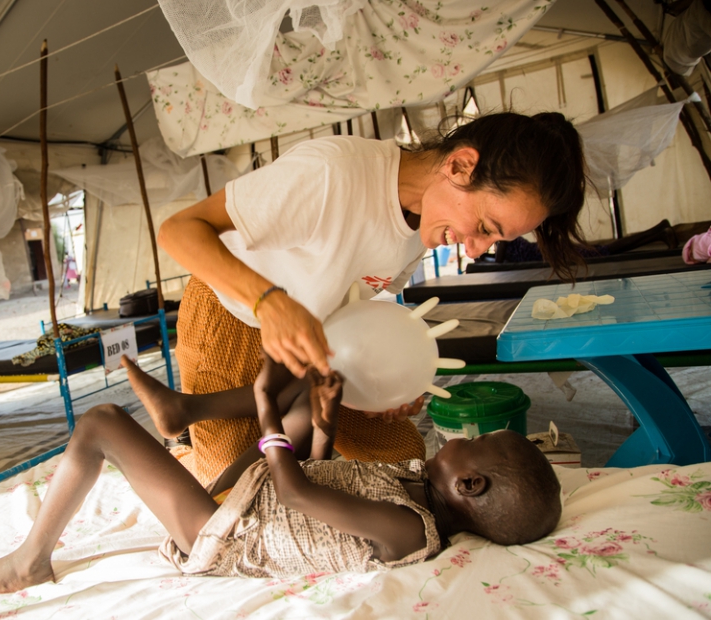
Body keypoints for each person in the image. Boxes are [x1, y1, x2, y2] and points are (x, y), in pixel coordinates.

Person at [157, 111, 588, 482]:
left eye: (493, 240)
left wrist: (385, 384)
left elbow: (355, 305)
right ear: (460, 167)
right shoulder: (333, 174)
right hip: (229, 315)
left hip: (317, 339)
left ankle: (244, 438)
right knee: (238, 489)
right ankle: (186, 453)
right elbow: (179, 229)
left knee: (402, 459)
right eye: (486, 227)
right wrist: (268, 302)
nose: (475, 249)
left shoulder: (425, 223)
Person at [0, 355, 562, 595]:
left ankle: (30, 560)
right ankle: (182, 412)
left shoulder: (408, 529)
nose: (461, 438)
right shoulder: (414, 483)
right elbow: (321, 477)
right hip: (259, 495)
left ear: (471, 487)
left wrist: (266, 411)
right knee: (309, 382)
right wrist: (321, 419)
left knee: (101, 421)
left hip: (223, 530)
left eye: (472, 445)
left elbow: (296, 488)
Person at [492, 219, 677, 264]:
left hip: (557, 253)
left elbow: (500, 260)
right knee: (603, 250)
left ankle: (659, 231)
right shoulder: (502, 236)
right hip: (554, 252)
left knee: (604, 251)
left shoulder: (503, 234)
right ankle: (659, 232)